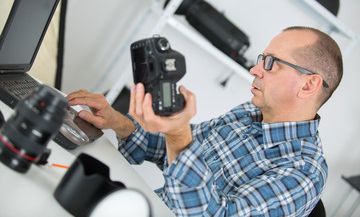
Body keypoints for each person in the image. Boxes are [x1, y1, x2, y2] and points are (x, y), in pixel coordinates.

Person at [67, 26, 343, 216]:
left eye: (272, 63)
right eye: (262, 59)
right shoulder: (247, 113)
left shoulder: (303, 173)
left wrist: (179, 135)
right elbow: (175, 156)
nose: (255, 69)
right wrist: (118, 122)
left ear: (309, 86)